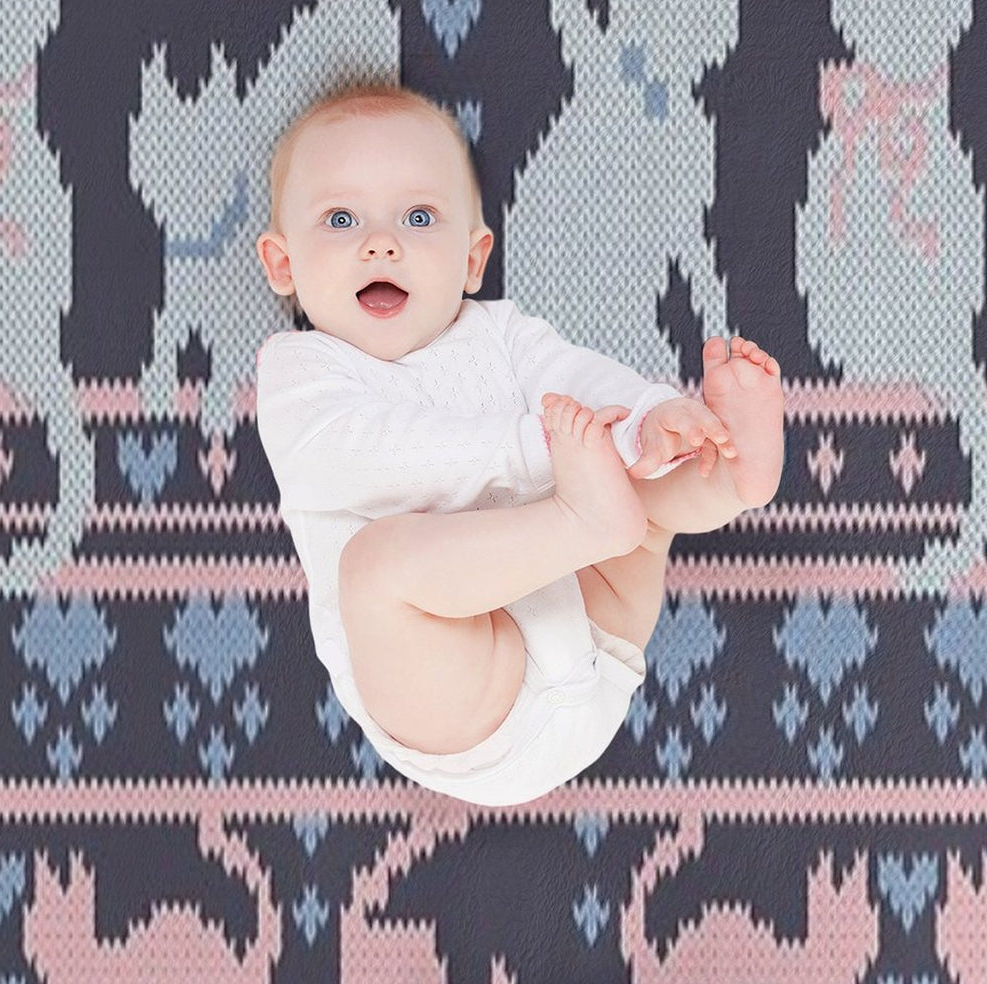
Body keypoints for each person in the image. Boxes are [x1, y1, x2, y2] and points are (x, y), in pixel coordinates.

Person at [254, 82, 785, 806]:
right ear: (284, 265)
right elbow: (368, 457)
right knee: (374, 569)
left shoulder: (501, 333)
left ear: (472, 260)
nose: (382, 242)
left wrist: (649, 418)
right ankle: (589, 518)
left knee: (640, 487)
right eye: (341, 219)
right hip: (469, 703)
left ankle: (726, 475)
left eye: (418, 216)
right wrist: (543, 450)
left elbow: (578, 378)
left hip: (597, 632)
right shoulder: (302, 372)